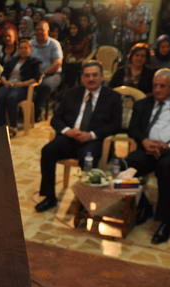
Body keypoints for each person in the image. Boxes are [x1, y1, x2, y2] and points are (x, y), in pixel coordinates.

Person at [35, 61, 122, 213]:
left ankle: (85, 200)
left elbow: (116, 125)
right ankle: (49, 197)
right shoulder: (72, 93)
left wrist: (91, 135)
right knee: (48, 151)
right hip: (70, 138)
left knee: (87, 158)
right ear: (82, 78)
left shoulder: (113, 97)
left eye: (95, 75)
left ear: (102, 77)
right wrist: (67, 131)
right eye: (87, 76)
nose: (91, 79)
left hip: (94, 140)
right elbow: (56, 119)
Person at [125, 68, 170, 244]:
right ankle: (143, 204)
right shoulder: (143, 104)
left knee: (166, 167)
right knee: (126, 165)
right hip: (148, 148)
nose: (157, 90)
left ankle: (166, 220)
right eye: (155, 85)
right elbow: (133, 128)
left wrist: (169, 145)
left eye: (162, 86)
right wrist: (144, 141)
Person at [0, 39, 41, 136]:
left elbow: (36, 79)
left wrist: (22, 84)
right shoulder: (13, 60)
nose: (23, 50)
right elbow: (3, 74)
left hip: (23, 87)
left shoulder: (34, 62)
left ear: (30, 49)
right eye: (21, 48)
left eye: (25, 48)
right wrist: (5, 82)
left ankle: (13, 126)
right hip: (9, 85)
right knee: (0, 96)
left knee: (12, 97)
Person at [30, 21, 63, 121]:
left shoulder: (54, 44)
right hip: (33, 74)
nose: (39, 32)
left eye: (42, 30)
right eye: (37, 30)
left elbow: (57, 63)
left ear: (47, 31)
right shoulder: (31, 43)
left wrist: (44, 73)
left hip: (52, 74)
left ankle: (37, 113)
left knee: (45, 86)